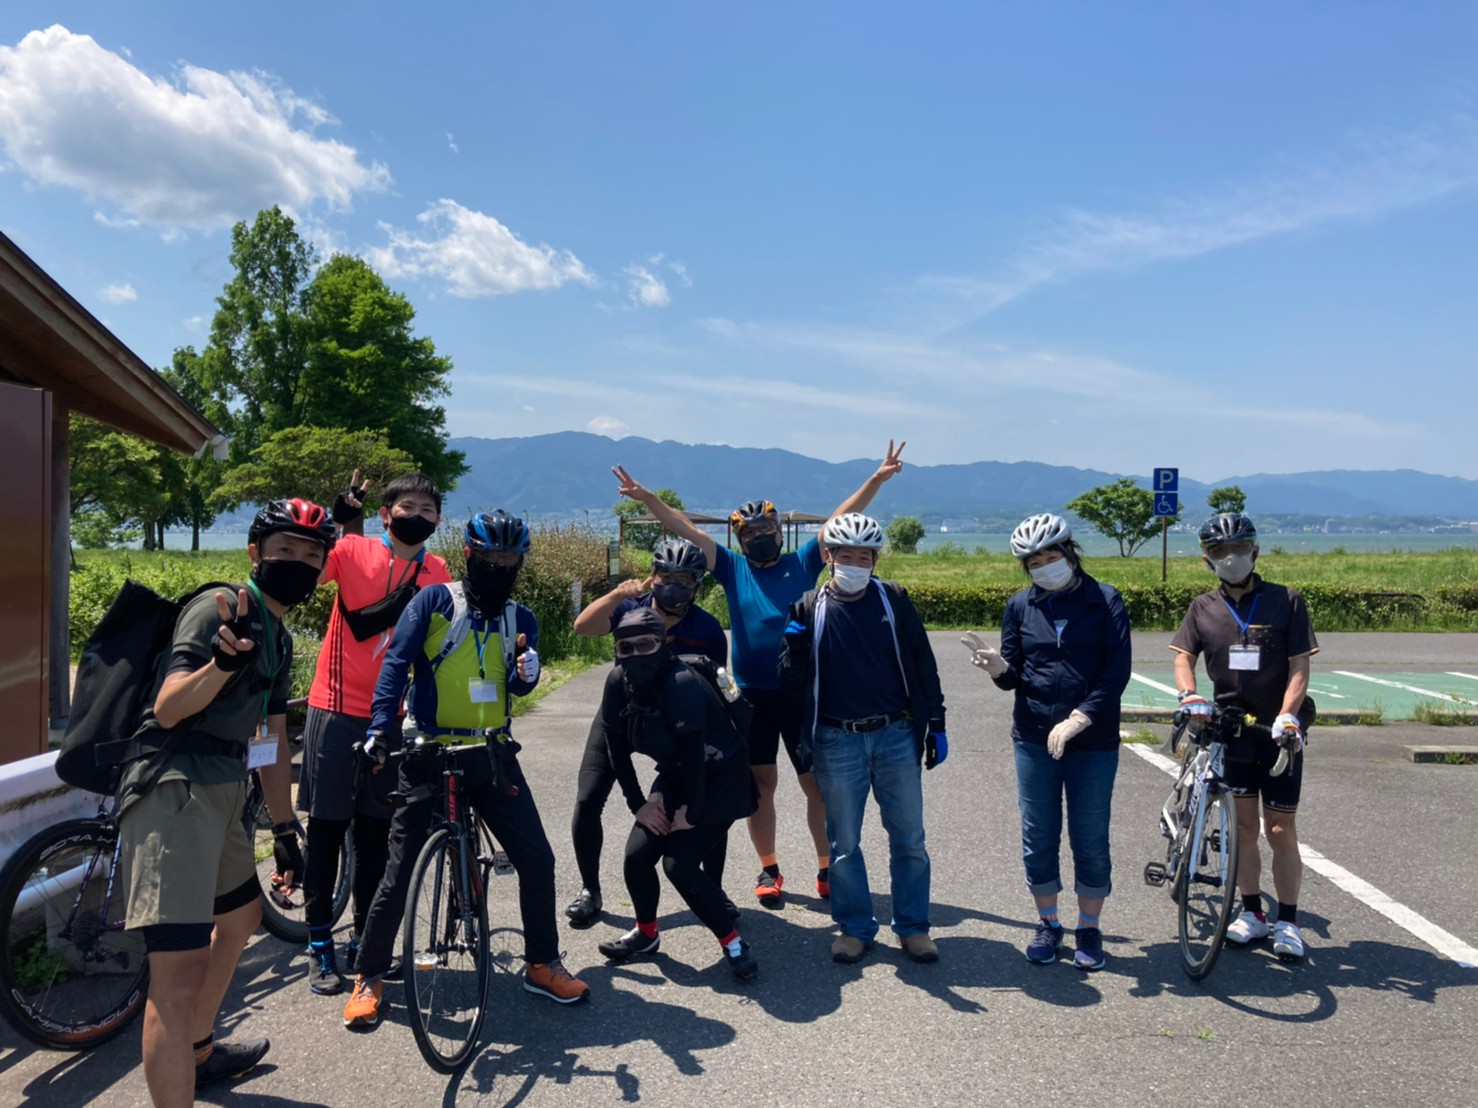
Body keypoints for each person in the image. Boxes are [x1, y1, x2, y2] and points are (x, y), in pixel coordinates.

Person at [614, 440, 905, 909]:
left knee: (816, 785)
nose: (760, 537)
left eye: (767, 528)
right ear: (739, 538)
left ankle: (826, 867)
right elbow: (682, 527)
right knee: (760, 785)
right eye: (750, 532)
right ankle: (769, 868)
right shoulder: (731, 569)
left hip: (800, 691)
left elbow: (838, 519)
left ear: (778, 529)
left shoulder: (804, 562)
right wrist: (647, 498)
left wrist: (877, 478)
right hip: (748, 695)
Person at [117, 499, 333, 1107]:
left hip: (224, 789)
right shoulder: (217, 609)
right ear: (255, 553)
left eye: (311, 555)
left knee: (239, 919)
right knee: (176, 977)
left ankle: (200, 1051)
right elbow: (168, 707)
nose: (298, 562)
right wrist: (219, 664)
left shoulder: (281, 636)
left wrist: (285, 826)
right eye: (285, 549)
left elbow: (268, 734)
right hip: (172, 789)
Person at [343, 511, 590, 1030]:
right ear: (470, 557)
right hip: (430, 751)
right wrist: (380, 729)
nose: (499, 569)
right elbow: (395, 665)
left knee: (537, 860)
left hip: (491, 752)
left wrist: (530, 674)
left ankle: (542, 963)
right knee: (400, 866)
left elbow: (518, 686)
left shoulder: (521, 619)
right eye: (490, 560)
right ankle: (369, 974)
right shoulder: (434, 602)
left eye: (509, 561)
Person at [297, 471, 451, 995]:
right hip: (336, 708)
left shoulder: (438, 572)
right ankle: (319, 945)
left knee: (375, 836)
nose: (418, 517)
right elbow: (305, 572)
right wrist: (335, 516)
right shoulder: (352, 551)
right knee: (325, 831)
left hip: (393, 718)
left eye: (428, 511)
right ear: (385, 513)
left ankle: (365, 944)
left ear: (438, 522)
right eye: (408, 506)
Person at [962, 513, 1131, 971]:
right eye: (1034, 560)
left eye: (1051, 555)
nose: (1043, 564)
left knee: (1090, 836)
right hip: (1034, 737)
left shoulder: (1105, 600)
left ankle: (1089, 928)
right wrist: (999, 668)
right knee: (1038, 835)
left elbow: (1116, 671)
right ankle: (1048, 923)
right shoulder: (1021, 607)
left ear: (1069, 552)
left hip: (1092, 740)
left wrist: (1082, 716)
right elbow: (1013, 674)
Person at [778, 513, 947, 964]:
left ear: (875, 559)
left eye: (864, 555)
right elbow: (790, 684)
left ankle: (913, 927)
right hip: (837, 739)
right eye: (846, 554)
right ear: (829, 557)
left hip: (895, 733)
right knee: (844, 842)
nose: (855, 562)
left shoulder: (893, 600)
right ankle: (854, 927)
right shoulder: (809, 607)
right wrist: (793, 650)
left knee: (909, 837)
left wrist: (938, 725)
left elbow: (922, 664)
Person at [1170, 512, 1318, 960]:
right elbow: (1182, 656)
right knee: (1245, 829)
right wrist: (1189, 695)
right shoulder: (1203, 608)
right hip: (1231, 729)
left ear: (1255, 552)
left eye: (1239, 549)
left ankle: (1288, 921)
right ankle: (1252, 912)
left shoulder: (1286, 600)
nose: (1230, 558)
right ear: (1206, 560)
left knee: (1280, 829)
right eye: (1220, 552)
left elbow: (1299, 665)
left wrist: (1289, 716)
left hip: (1277, 733)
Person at [565, 536, 728, 926]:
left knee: (705, 803)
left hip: (680, 724)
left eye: (684, 580)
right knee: (588, 798)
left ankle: (714, 890)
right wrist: (616, 595)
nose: (673, 585)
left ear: (697, 586)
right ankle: (590, 889)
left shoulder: (707, 630)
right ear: (652, 575)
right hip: (622, 712)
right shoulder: (630, 609)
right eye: (664, 575)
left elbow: (715, 692)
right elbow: (583, 627)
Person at [595, 608, 760, 979]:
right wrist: (639, 804)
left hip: (720, 779)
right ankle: (647, 933)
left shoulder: (681, 682)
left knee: (678, 864)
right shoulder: (618, 681)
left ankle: (733, 943)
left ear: (664, 644)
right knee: (637, 856)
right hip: (678, 775)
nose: (635, 654)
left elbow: (695, 755)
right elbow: (616, 749)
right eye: (625, 647)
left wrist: (693, 811)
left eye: (645, 644)